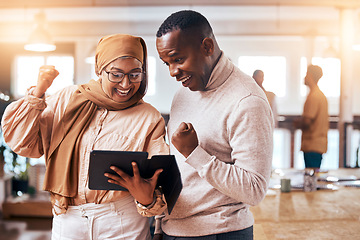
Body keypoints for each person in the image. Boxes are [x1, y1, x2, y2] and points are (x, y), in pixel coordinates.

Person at [1, 34, 169, 240]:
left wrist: (147, 199)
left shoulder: (148, 117)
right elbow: (22, 143)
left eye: (135, 74)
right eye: (116, 74)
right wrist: (37, 93)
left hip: (122, 220)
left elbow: (161, 181)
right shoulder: (66, 99)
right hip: (67, 218)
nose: (126, 84)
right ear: (100, 70)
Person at [153, 10, 274, 239]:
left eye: (178, 59)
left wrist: (193, 152)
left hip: (220, 232)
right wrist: (160, 225)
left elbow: (255, 190)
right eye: (167, 63)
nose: (172, 72)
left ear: (207, 47)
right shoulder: (183, 93)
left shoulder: (247, 101)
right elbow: (179, 169)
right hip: (174, 230)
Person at [294, 64, 328, 169]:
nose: (304, 77)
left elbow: (307, 121)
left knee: (311, 178)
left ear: (310, 76)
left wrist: (296, 123)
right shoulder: (320, 95)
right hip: (318, 144)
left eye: (306, 74)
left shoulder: (314, 97)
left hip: (312, 145)